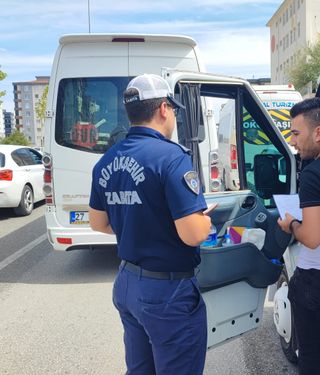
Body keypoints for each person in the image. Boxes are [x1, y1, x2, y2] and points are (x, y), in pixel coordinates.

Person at [88, 74, 214, 374]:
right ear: (163, 109)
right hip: (166, 292)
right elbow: (193, 234)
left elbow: (98, 223)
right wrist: (206, 221)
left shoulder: (106, 160)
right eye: (173, 109)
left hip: (128, 283)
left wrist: (141, 225)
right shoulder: (171, 158)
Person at [277, 97, 320, 374]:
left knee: (311, 358)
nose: (292, 142)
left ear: (318, 132)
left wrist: (291, 224)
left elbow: (312, 238)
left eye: (295, 133)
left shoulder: (314, 174)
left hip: (314, 278)